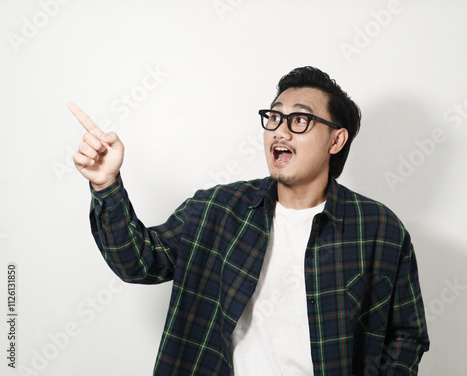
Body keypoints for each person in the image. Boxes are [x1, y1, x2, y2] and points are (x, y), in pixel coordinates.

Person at [69, 66, 429, 375]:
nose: (280, 131)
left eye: (299, 120)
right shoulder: (217, 209)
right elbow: (138, 262)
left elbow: (406, 334)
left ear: (336, 140)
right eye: (274, 117)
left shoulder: (379, 230)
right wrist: (106, 184)